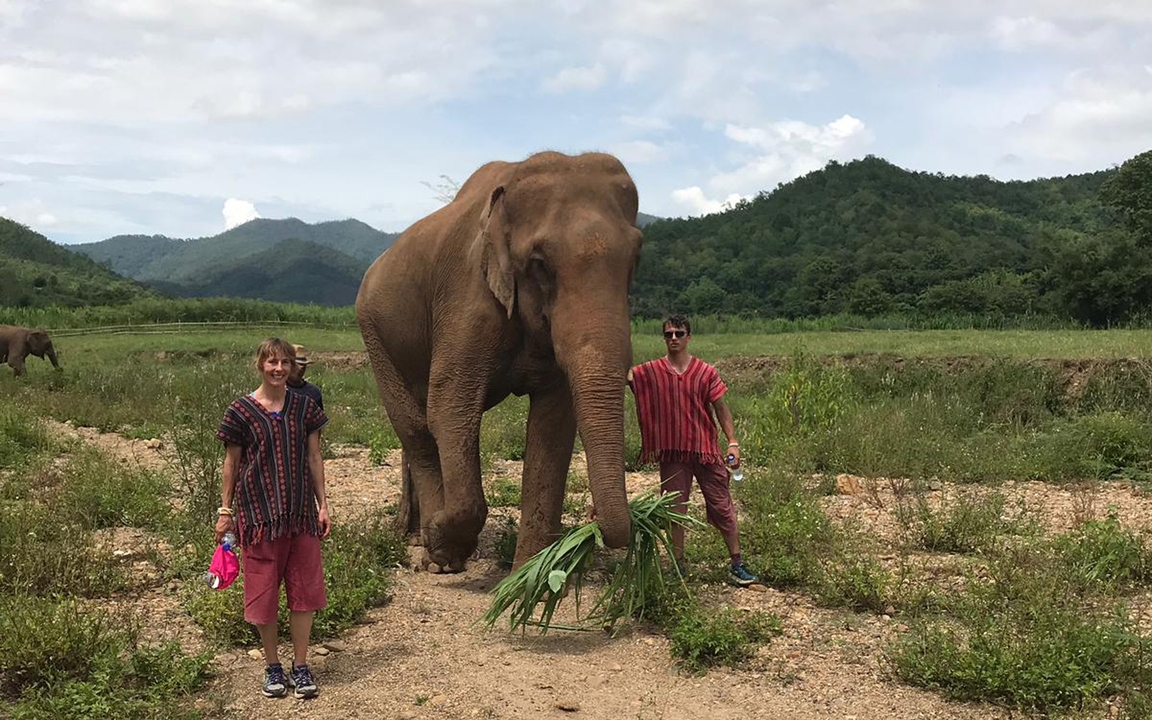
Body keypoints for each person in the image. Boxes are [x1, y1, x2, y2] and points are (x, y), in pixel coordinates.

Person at [215, 338, 332, 699]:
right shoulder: (241, 411)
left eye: (285, 363)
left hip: (300, 514)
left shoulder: (305, 408)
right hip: (259, 514)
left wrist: (323, 505)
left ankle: (300, 665)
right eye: (272, 363)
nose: (279, 369)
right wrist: (225, 510)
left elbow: (314, 458)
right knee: (263, 594)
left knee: (304, 592)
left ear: (293, 367)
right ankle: (272, 666)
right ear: (260, 365)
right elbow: (232, 463)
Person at [628, 314, 759, 587]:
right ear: (664, 339)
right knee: (675, 510)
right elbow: (626, 376)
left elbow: (721, 409)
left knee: (722, 505)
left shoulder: (705, 372)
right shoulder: (651, 371)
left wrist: (732, 442)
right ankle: (678, 565)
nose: (673, 338)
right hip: (674, 452)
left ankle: (737, 564)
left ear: (689, 337)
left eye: (679, 333)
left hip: (705, 449)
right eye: (668, 334)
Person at [287, 344, 324, 411]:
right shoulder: (278, 390)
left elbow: (319, 418)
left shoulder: (313, 392)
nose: (300, 369)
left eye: (303, 366)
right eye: (296, 365)